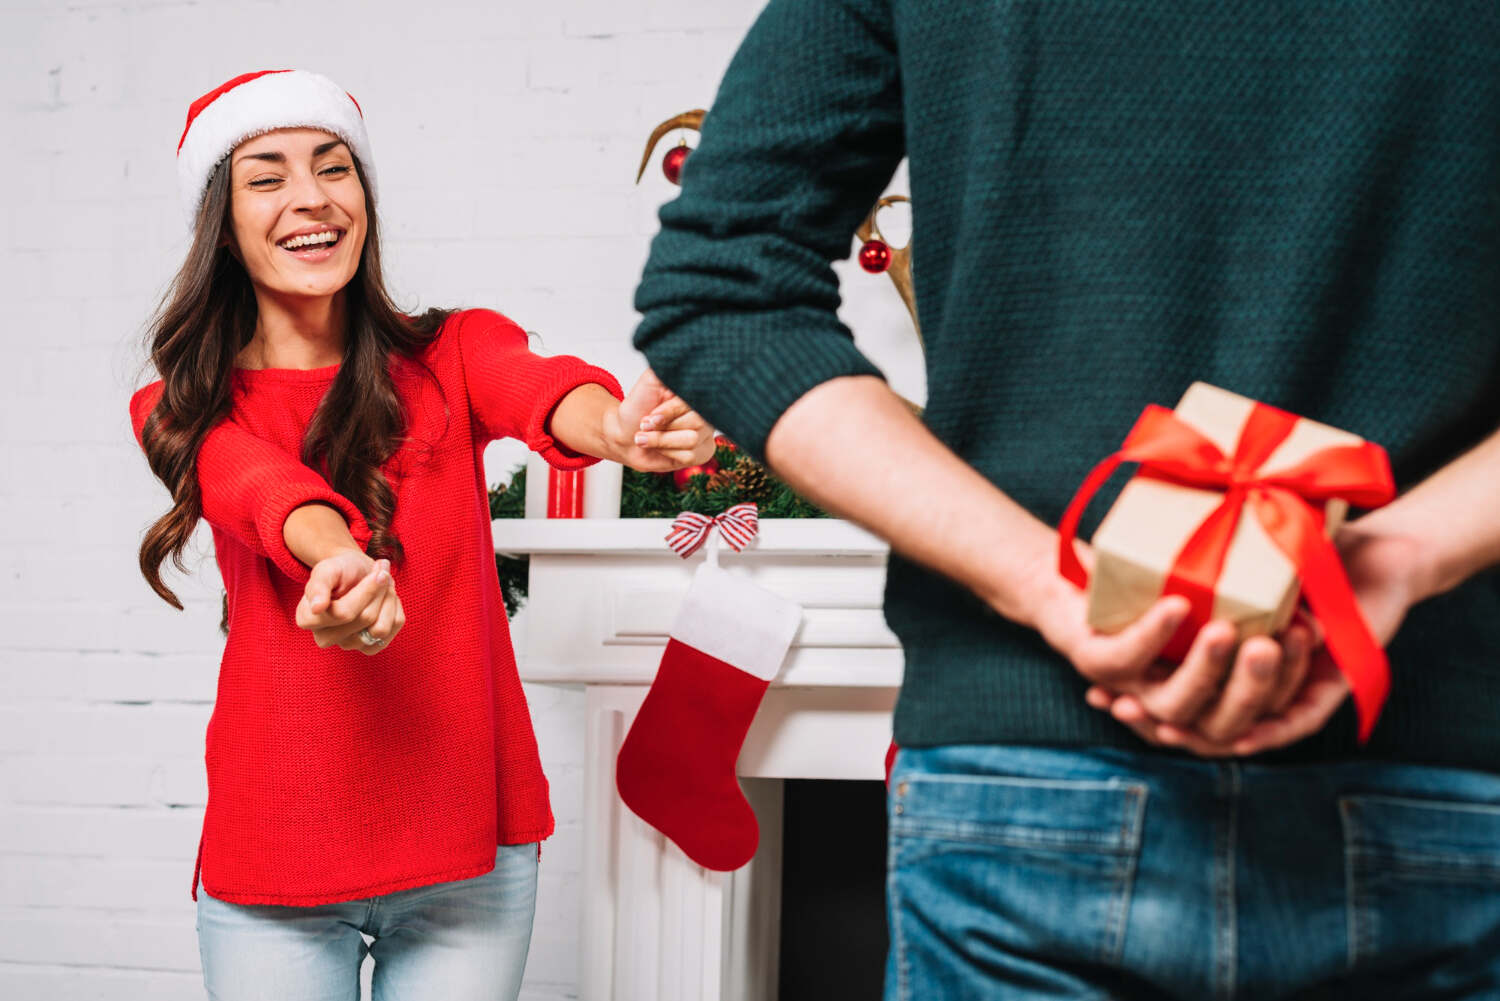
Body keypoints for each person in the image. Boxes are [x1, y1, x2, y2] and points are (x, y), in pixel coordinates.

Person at [633, 2, 1500, 996]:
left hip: (1025, 768)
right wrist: (1395, 558)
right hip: (1436, 780)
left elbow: (720, 293)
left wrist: (1047, 582)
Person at [130, 69, 713, 1001]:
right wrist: (341, 561)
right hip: (277, 857)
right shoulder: (181, 408)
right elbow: (260, 487)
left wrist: (618, 429)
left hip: (468, 854)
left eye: (334, 169)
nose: (312, 198)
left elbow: (539, 387)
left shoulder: (451, 351)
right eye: (268, 177)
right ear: (223, 224)